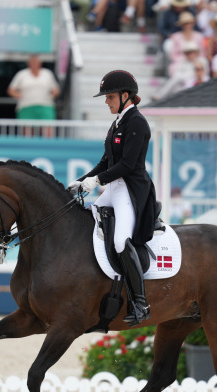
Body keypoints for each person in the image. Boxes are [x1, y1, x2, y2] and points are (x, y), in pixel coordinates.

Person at [67, 70, 157, 327]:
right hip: (113, 189)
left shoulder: (137, 123)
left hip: (130, 190)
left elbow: (128, 164)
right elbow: (106, 161)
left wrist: (97, 181)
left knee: (120, 240)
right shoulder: (117, 122)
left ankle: (140, 303)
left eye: (109, 96)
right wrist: (83, 179)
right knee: (87, 221)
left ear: (125, 96)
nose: (106, 101)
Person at [7, 54, 60, 122]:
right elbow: (11, 90)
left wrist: (53, 95)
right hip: (26, 105)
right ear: (28, 63)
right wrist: (19, 95)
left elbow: (55, 90)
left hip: (46, 105)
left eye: (36, 62)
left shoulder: (47, 74)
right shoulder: (21, 74)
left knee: (48, 129)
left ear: (40, 63)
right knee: (27, 130)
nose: (34, 64)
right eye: (32, 62)